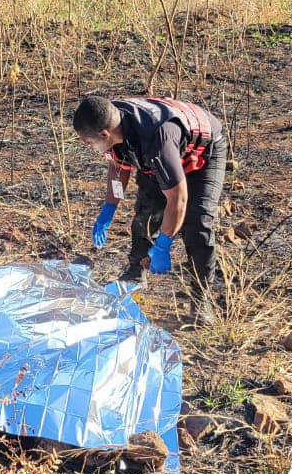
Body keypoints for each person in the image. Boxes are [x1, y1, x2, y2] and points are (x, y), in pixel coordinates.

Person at [73, 94, 227, 320]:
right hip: (164, 154)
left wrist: (164, 245)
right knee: (146, 212)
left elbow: (178, 198)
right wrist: (108, 209)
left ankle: (201, 299)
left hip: (203, 152)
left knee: (197, 224)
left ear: (104, 134)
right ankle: (136, 272)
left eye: (88, 142)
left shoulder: (156, 141)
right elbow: (118, 166)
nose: (89, 147)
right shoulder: (113, 123)